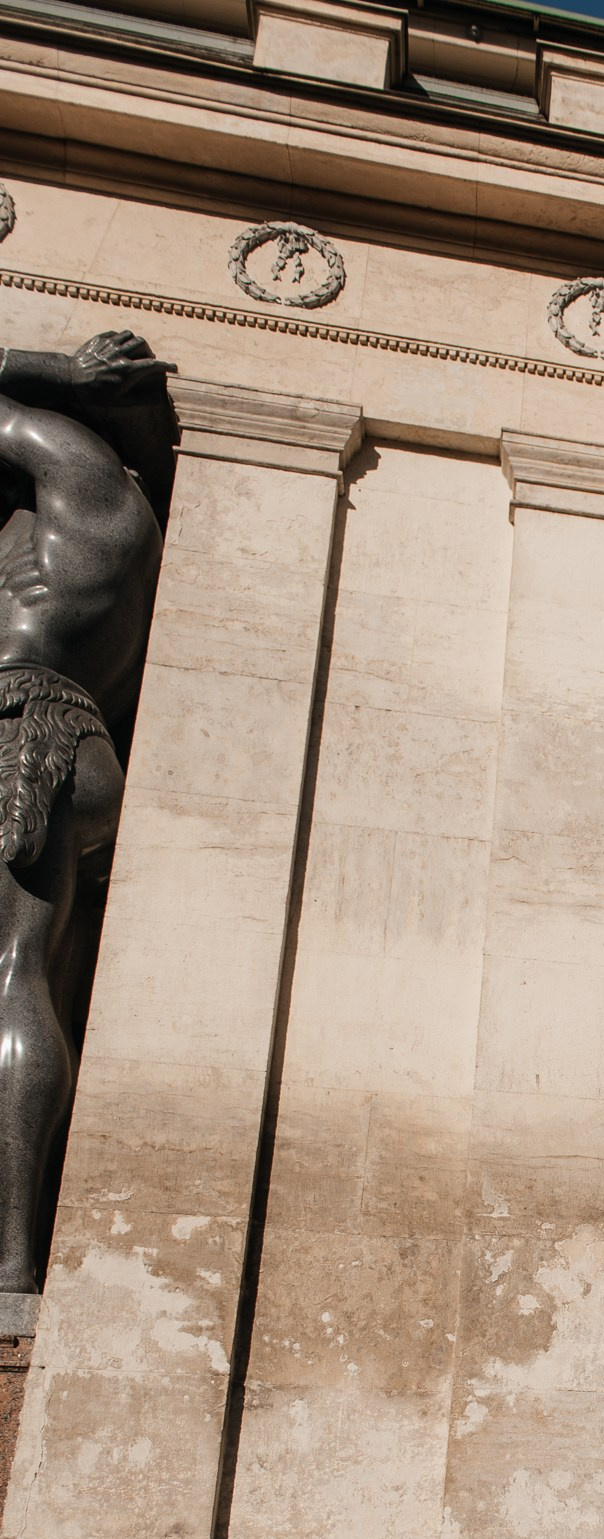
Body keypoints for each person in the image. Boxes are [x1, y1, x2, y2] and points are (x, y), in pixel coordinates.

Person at [0, 329, 172, 1291]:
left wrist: (52, 371)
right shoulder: (122, 530)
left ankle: (11, 1258)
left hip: (19, 714)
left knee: (12, 968)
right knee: (32, 963)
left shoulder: (81, 470)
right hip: (79, 732)